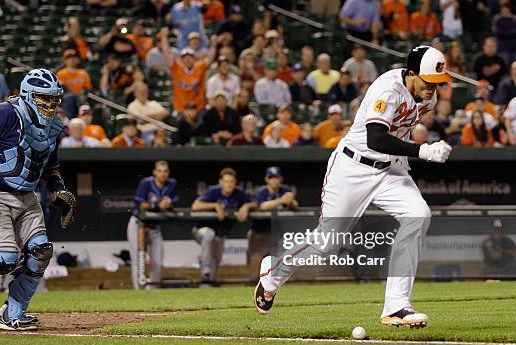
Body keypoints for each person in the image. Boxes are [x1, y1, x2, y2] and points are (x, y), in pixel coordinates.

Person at [255, 46, 453, 329]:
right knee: (326, 244)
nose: (433, 88)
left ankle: (396, 306)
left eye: (438, 83)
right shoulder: (388, 88)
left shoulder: (423, 96)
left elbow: (399, 129)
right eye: (429, 82)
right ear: (411, 74)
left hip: (389, 170)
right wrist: (421, 151)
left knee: (418, 215)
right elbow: (375, 138)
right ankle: (273, 272)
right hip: (353, 167)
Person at [0, 68, 77, 330]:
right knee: (5, 261)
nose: (51, 104)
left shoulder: (54, 126)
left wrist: (57, 188)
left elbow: (50, 165)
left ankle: (12, 314)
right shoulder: (4, 114)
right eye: (45, 98)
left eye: (55, 99)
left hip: (25, 194)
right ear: (28, 95)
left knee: (41, 252)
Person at [191, 167, 256, 284]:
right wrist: (215, 205)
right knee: (209, 235)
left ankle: (208, 284)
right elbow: (195, 205)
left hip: (221, 234)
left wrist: (246, 206)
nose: (229, 184)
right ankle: (205, 268)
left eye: (231, 181)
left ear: (235, 182)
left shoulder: (238, 193)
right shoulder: (213, 191)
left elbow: (255, 203)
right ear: (221, 182)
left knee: (216, 262)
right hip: (202, 230)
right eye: (226, 181)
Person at [127, 161, 178, 289]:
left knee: (158, 262)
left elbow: (173, 201)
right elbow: (140, 204)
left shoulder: (172, 184)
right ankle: (139, 291)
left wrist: (169, 203)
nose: (162, 174)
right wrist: (157, 205)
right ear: (154, 172)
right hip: (138, 225)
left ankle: (154, 292)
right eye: (159, 171)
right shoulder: (146, 183)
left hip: (155, 227)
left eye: (165, 171)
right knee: (138, 260)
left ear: (168, 173)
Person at [248, 166, 298, 281]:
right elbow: (262, 206)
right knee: (256, 261)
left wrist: (291, 201)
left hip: (275, 233)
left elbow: (295, 205)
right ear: (267, 179)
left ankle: (271, 286)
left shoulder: (284, 190)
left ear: (281, 179)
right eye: (271, 177)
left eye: (276, 177)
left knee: (276, 263)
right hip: (259, 232)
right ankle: (252, 285)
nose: (274, 180)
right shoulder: (262, 191)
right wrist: (281, 200)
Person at [162, 27, 216, 114]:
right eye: (185, 57)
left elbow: (210, 58)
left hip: (198, 108)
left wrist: (214, 45)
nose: (187, 59)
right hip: (181, 109)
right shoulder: (177, 67)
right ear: (181, 59)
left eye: (190, 57)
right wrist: (164, 37)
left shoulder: (199, 67)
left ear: (194, 59)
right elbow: (167, 53)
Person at [57, 49, 93, 119]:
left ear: (78, 59)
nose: (72, 59)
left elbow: (88, 88)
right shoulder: (61, 73)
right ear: (65, 61)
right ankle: (68, 121)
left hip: (81, 98)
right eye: (69, 58)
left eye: (74, 57)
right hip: (67, 99)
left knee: (82, 98)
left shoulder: (83, 73)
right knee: (70, 97)